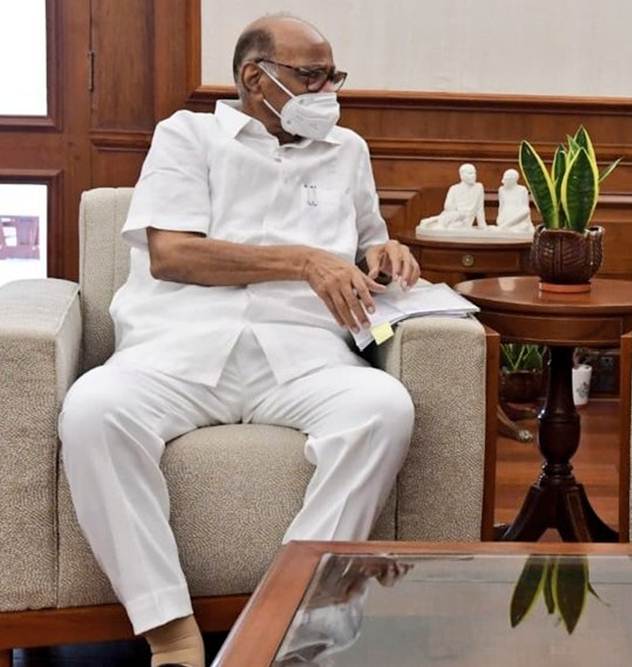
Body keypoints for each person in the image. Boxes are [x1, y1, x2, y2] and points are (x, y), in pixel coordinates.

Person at [57, 14, 420, 667]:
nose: (328, 90)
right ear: (256, 77)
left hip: (304, 354)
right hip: (181, 347)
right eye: (311, 76)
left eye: (333, 75)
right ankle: (172, 635)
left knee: (384, 409)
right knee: (92, 410)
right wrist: (303, 261)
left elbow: (367, 239)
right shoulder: (188, 136)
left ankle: (288, 627)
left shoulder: (349, 151)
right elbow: (170, 254)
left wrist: (384, 251)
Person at [418, 163, 487, 229]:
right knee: (446, 221)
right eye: (470, 173)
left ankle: (433, 222)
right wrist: (459, 213)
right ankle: (430, 221)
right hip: (454, 215)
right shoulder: (454, 188)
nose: (474, 175)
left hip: (466, 221)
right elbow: (447, 206)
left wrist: (482, 225)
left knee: (456, 226)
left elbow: (480, 208)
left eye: (475, 173)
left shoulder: (479, 187)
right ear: (462, 175)